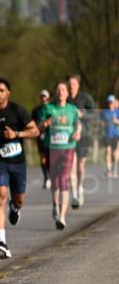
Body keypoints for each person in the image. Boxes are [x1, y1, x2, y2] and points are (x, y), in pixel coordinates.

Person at [0, 77, 40, 259]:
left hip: (18, 163)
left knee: (18, 199)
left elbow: (35, 130)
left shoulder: (17, 110)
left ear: (8, 92)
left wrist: (17, 134)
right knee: (0, 198)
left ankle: (15, 208)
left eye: (2, 90)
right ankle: (2, 242)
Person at [39, 80, 82, 229]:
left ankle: (62, 217)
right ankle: (54, 205)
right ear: (55, 93)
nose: (60, 92)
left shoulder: (72, 109)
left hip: (68, 147)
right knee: (55, 181)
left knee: (64, 179)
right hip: (52, 148)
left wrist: (77, 132)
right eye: (58, 90)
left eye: (63, 90)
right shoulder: (47, 108)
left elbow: (78, 124)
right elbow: (39, 126)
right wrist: (44, 124)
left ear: (67, 93)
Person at [66, 74, 96, 208]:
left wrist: (82, 114)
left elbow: (95, 113)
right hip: (68, 137)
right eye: (69, 84)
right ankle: (74, 196)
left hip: (84, 135)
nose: (71, 87)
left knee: (80, 166)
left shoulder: (85, 98)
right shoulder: (64, 98)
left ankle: (80, 188)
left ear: (78, 85)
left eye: (73, 84)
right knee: (71, 166)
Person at [32, 89, 52, 189]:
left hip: (51, 136)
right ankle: (46, 177)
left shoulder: (52, 109)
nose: (43, 98)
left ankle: (51, 176)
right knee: (43, 158)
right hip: (41, 136)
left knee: (51, 158)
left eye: (45, 96)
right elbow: (32, 123)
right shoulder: (36, 110)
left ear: (49, 98)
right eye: (42, 96)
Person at [103, 94, 119, 178]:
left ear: (114, 102)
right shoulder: (104, 112)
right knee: (108, 150)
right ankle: (108, 170)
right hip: (107, 134)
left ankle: (114, 168)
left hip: (115, 134)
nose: (110, 104)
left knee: (114, 153)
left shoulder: (117, 112)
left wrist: (116, 121)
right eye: (109, 102)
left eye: (111, 102)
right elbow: (100, 122)